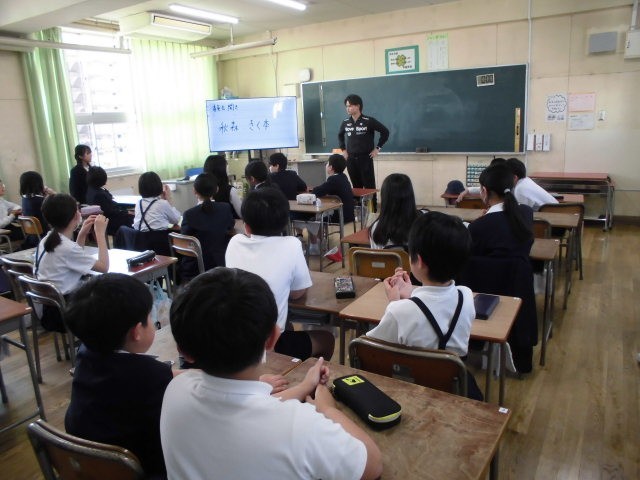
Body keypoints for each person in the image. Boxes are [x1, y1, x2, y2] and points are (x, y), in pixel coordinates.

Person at [160, 267, 382, 480]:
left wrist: (304, 387)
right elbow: (371, 465)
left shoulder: (176, 391)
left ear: (183, 351)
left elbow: (243, 408)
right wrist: (327, 409)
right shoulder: (300, 427)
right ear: (273, 339)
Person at [65, 273, 174, 478]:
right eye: (149, 317)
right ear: (137, 332)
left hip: (90, 465)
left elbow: (149, 376)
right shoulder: (150, 376)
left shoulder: (86, 353)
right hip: (140, 470)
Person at [367, 211, 483, 400]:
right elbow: (437, 304)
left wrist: (395, 303)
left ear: (419, 261)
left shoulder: (399, 310)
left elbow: (371, 348)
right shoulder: (466, 296)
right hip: (456, 388)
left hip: (412, 389)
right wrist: (412, 294)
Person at [225, 188, 334, 360]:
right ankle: (310, 376)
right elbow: (297, 293)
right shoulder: (291, 244)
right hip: (267, 348)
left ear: (246, 226)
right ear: (285, 223)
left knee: (287, 325)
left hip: (232, 341)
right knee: (327, 339)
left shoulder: (234, 242)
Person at [466, 163, 536, 373]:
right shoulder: (526, 214)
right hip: (521, 289)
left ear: (484, 191)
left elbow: (471, 255)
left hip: (487, 295)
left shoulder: (479, 227)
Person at [35, 193, 109, 332]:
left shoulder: (46, 240)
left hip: (50, 310)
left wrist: (82, 234)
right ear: (76, 216)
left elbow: (73, 258)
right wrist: (100, 234)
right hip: (67, 313)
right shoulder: (66, 247)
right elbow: (104, 267)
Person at [338, 94, 389, 211]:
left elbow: (385, 132)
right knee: (356, 187)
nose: (348, 108)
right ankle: (359, 211)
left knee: (369, 187)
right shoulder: (345, 122)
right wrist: (343, 150)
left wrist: (377, 148)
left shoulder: (368, 121)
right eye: (346, 106)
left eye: (350, 106)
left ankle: (372, 211)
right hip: (351, 159)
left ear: (358, 106)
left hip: (365, 158)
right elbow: (340, 136)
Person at [180, 173, 234, 282]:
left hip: (196, 268)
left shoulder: (189, 214)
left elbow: (184, 241)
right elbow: (230, 225)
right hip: (221, 263)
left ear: (194, 191)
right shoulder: (225, 208)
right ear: (216, 189)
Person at [306, 154, 356, 254]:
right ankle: (322, 241)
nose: (326, 165)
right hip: (349, 214)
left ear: (331, 167)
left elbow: (318, 191)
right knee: (321, 215)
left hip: (340, 216)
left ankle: (315, 246)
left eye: (327, 163)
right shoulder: (343, 177)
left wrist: (312, 190)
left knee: (312, 219)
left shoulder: (333, 180)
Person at [369, 173, 419, 249]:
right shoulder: (421, 226)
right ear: (410, 197)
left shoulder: (376, 229)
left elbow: (376, 255)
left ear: (384, 198)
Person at [86, 166, 133, 236]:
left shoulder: (91, 190)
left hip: (107, 218)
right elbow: (111, 211)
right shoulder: (99, 194)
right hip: (110, 222)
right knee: (134, 218)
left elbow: (109, 203)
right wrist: (127, 212)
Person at [19, 171, 55, 249]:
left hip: (32, 238)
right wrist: (53, 194)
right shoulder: (41, 201)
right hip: (46, 237)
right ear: (38, 184)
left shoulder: (24, 200)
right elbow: (62, 206)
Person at [202, 154, 242, 218]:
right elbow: (242, 214)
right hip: (229, 223)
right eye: (226, 165)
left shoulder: (202, 189)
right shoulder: (230, 190)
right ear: (222, 170)